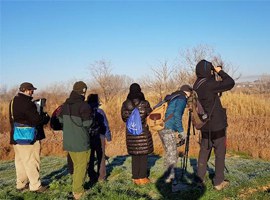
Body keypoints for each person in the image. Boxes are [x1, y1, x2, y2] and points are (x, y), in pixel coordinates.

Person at [194, 60, 235, 190]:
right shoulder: (210, 84)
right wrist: (219, 71)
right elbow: (230, 82)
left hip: (204, 125)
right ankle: (218, 182)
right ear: (208, 70)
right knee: (219, 153)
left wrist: (212, 74)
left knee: (204, 152)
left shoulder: (197, 85)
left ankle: (199, 179)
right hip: (217, 126)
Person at [9, 82, 50, 192]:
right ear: (26, 90)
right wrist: (45, 117)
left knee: (20, 161)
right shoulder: (28, 103)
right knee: (32, 161)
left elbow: (13, 119)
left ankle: (21, 184)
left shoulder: (13, 101)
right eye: (31, 90)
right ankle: (35, 186)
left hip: (16, 136)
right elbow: (36, 120)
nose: (33, 92)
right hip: (29, 138)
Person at [58, 81, 92, 200]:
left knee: (77, 166)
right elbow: (87, 123)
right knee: (81, 166)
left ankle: (76, 186)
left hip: (68, 142)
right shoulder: (84, 106)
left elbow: (60, 121)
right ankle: (78, 192)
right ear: (83, 91)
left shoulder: (65, 105)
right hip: (81, 142)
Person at [158, 85, 192, 183]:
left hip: (162, 127)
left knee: (169, 153)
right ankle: (172, 181)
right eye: (190, 93)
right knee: (173, 154)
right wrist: (181, 131)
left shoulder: (174, 97)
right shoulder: (181, 98)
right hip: (168, 129)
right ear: (187, 92)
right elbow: (177, 115)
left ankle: (167, 177)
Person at [121, 83, 153, 185]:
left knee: (135, 155)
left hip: (131, 132)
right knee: (143, 154)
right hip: (142, 131)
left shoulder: (125, 104)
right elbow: (150, 113)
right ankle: (142, 177)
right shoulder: (144, 103)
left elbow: (124, 118)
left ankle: (135, 177)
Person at [87, 94, 112, 182]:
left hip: (88, 137)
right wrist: (108, 136)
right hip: (100, 136)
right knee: (101, 157)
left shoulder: (85, 111)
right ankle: (102, 176)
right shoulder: (100, 111)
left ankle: (91, 175)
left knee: (90, 157)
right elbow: (105, 125)